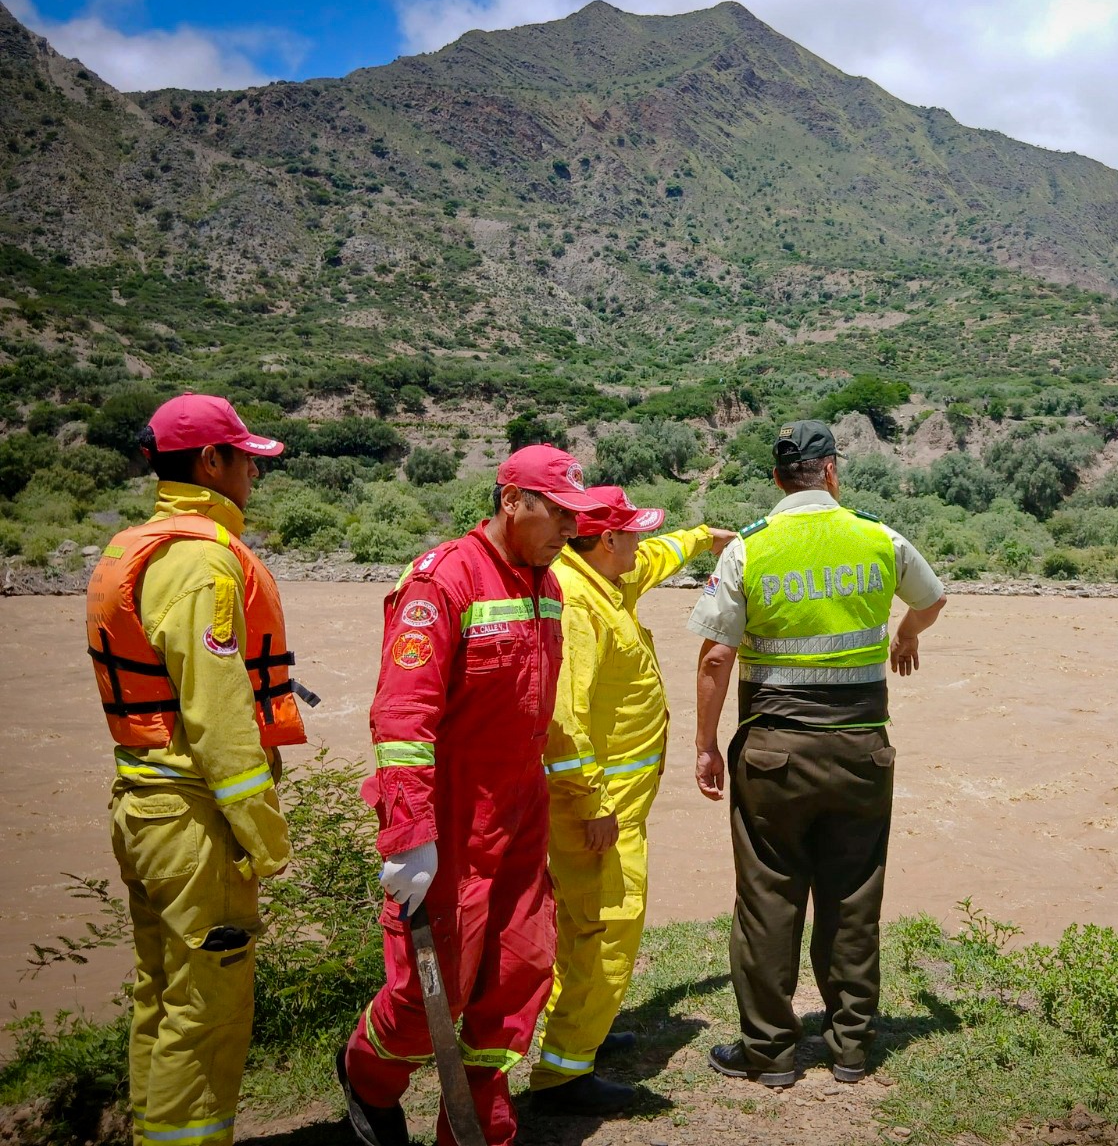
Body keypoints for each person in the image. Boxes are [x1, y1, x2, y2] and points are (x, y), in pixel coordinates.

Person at [337, 445, 607, 1146]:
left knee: (518, 976)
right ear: (512, 500)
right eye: (556, 515)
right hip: (452, 823)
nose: (569, 531)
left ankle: (479, 1123)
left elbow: (536, 715)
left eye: (576, 519)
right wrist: (408, 834)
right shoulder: (442, 581)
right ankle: (367, 1075)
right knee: (430, 994)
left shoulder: (545, 585)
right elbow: (401, 720)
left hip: (520, 817)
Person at [687, 420, 947, 1087]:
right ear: (832, 471)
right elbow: (933, 597)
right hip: (862, 751)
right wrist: (905, 634)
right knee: (853, 895)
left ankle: (769, 1054)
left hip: (773, 755)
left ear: (778, 479)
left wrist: (705, 746)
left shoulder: (749, 549)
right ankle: (850, 1048)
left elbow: (717, 654)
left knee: (768, 897)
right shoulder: (878, 537)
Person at [86, 393, 312, 1146]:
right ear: (212, 463)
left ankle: (157, 1134)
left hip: (144, 804)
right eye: (246, 458)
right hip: (192, 821)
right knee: (205, 1009)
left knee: (163, 994)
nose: (254, 472)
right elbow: (219, 722)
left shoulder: (137, 547)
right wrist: (267, 838)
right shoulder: (203, 563)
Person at [525, 486, 735, 1113]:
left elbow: (659, 557)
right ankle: (564, 1076)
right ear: (608, 538)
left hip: (615, 802)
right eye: (633, 533)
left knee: (581, 924)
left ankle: (587, 1025)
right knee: (607, 925)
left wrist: (704, 539)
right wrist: (590, 804)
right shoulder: (577, 603)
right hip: (598, 809)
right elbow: (563, 719)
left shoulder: (606, 574)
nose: (641, 542)